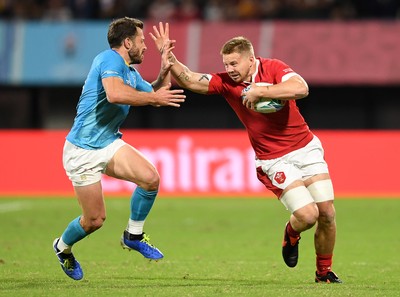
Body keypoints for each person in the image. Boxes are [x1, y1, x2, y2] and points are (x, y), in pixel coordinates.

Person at [156, 23, 342, 283]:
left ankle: (324, 273)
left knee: (328, 214)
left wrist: (262, 91)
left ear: (251, 59)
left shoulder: (274, 68)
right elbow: (189, 79)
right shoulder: (225, 83)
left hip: (306, 148)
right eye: (226, 63)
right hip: (274, 158)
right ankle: (291, 232)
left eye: (234, 63)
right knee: (308, 216)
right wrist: (169, 56)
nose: (230, 69)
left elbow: (301, 88)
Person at [53, 18, 185, 281]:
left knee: (150, 179)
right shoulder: (109, 60)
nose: (145, 47)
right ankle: (62, 247)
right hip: (82, 150)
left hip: (108, 143)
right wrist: (153, 97)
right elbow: (114, 94)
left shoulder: (130, 72)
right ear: (127, 42)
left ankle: (133, 235)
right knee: (94, 220)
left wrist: (165, 62)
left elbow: (156, 92)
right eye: (141, 41)